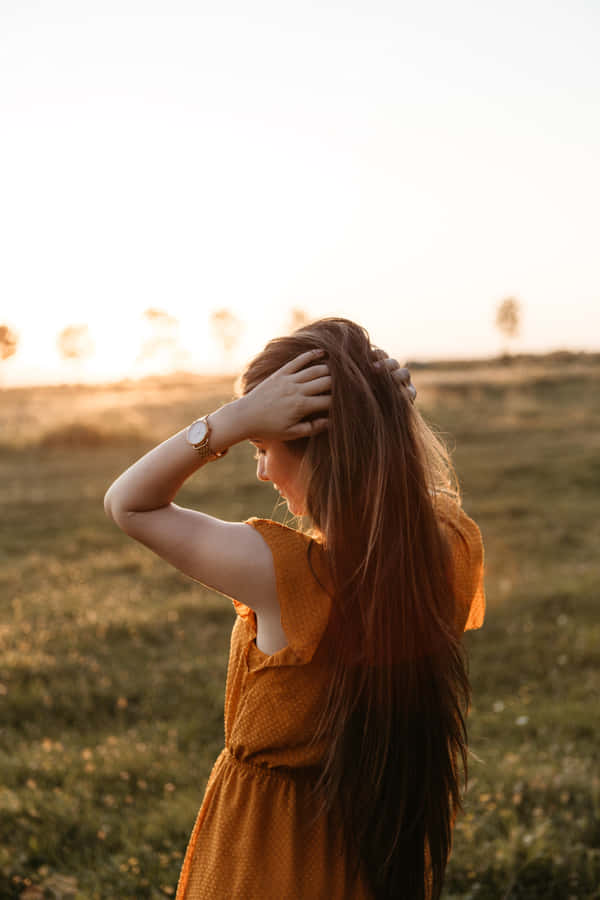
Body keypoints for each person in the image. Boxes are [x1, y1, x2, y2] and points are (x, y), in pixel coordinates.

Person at [103, 316, 485, 900]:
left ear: (321, 454)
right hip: (368, 851)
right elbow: (409, 495)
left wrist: (227, 422)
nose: (260, 470)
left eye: (261, 447)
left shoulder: (288, 575)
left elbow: (128, 503)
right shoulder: (446, 548)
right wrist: (385, 417)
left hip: (261, 857)